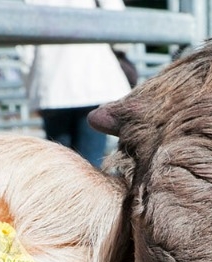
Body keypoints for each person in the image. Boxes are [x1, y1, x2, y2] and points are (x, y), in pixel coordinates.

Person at [23, 0, 133, 169]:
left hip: (52, 87)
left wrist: (33, 94)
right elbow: (119, 22)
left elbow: (26, 49)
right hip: (94, 82)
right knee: (91, 167)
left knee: (59, 167)